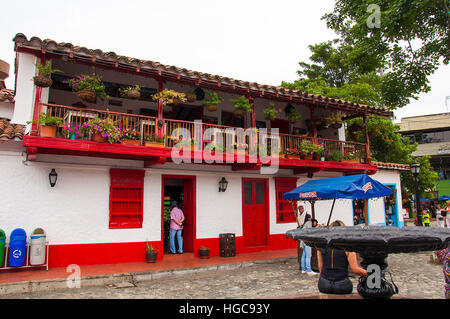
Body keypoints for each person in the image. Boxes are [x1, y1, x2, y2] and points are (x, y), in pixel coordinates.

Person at [317, 220, 368, 295]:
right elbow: (355, 269)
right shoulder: (348, 247)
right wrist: (371, 273)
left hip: (323, 284)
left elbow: (320, 267)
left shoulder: (321, 247)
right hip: (342, 284)